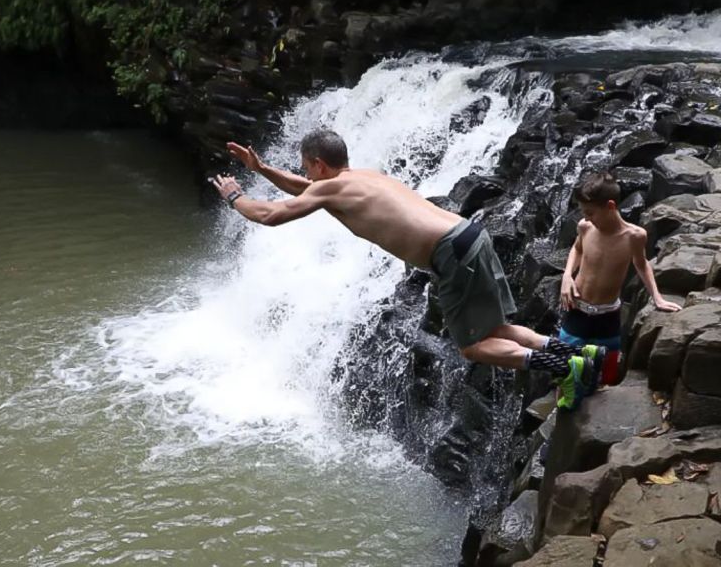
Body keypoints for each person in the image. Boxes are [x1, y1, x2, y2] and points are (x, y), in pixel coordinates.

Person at [211, 130, 604, 410]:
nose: (306, 175)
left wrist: (234, 195)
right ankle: (579, 353)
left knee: (473, 346)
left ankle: (564, 366)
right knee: (496, 331)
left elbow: (270, 215)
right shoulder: (362, 177)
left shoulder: (330, 188)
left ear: (318, 163)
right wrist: (262, 169)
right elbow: (306, 190)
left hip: (452, 256)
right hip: (470, 236)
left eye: (306, 168)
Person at [559, 171, 681, 387]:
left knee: (608, 372)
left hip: (608, 314)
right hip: (577, 308)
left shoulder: (634, 236)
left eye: (590, 212)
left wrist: (657, 297)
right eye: (583, 212)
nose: (586, 217)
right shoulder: (585, 227)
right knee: (566, 367)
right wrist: (567, 275)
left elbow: (641, 264)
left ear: (611, 206)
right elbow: (576, 250)